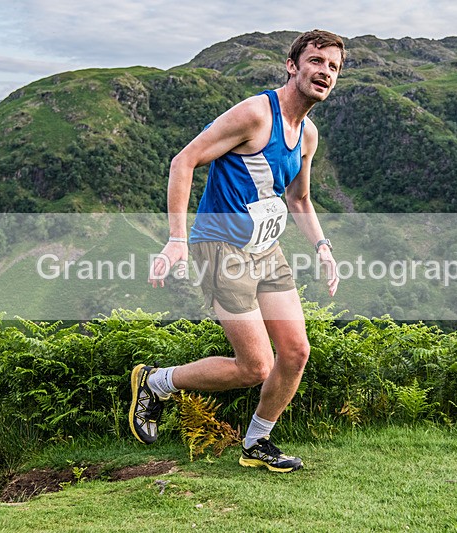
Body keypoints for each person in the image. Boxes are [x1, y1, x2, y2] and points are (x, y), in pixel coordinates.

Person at [129, 29, 345, 473]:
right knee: (255, 366)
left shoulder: (308, 135)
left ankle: (257, 443)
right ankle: (156, 383)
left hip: (266, 249)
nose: (324, 72)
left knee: (296, 352)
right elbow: (183, 161)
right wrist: (175, 238)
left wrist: (322, 246)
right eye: (317, 61)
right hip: (219, 247)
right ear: (293, 65)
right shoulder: (254, 114)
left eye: (333, 67)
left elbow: (299, 199)